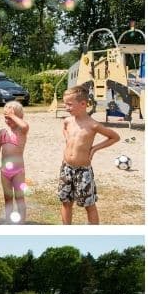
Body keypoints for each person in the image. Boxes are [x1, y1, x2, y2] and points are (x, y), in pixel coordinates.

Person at [58, 85, 120, 225]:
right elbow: (64, 129)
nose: (66, 107)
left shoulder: (93, 125)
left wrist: (95, 149)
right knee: (66, 201)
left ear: (83, 104)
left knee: (89, 205)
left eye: (69, 104)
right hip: (66, 168)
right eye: (65, 103)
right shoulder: (68, 121)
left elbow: (115, 137)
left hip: (83, 171)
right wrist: (67, 138)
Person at [0, 101, 29, 223]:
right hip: (5, 172)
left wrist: (13, 115)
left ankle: (21, 223)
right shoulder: (3, 132)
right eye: (6, 117)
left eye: (11, 118)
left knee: (20, 198)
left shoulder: (21, 131)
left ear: (19, 118)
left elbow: (25, 126)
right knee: (7, 198)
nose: (8, 120)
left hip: (18, 172)